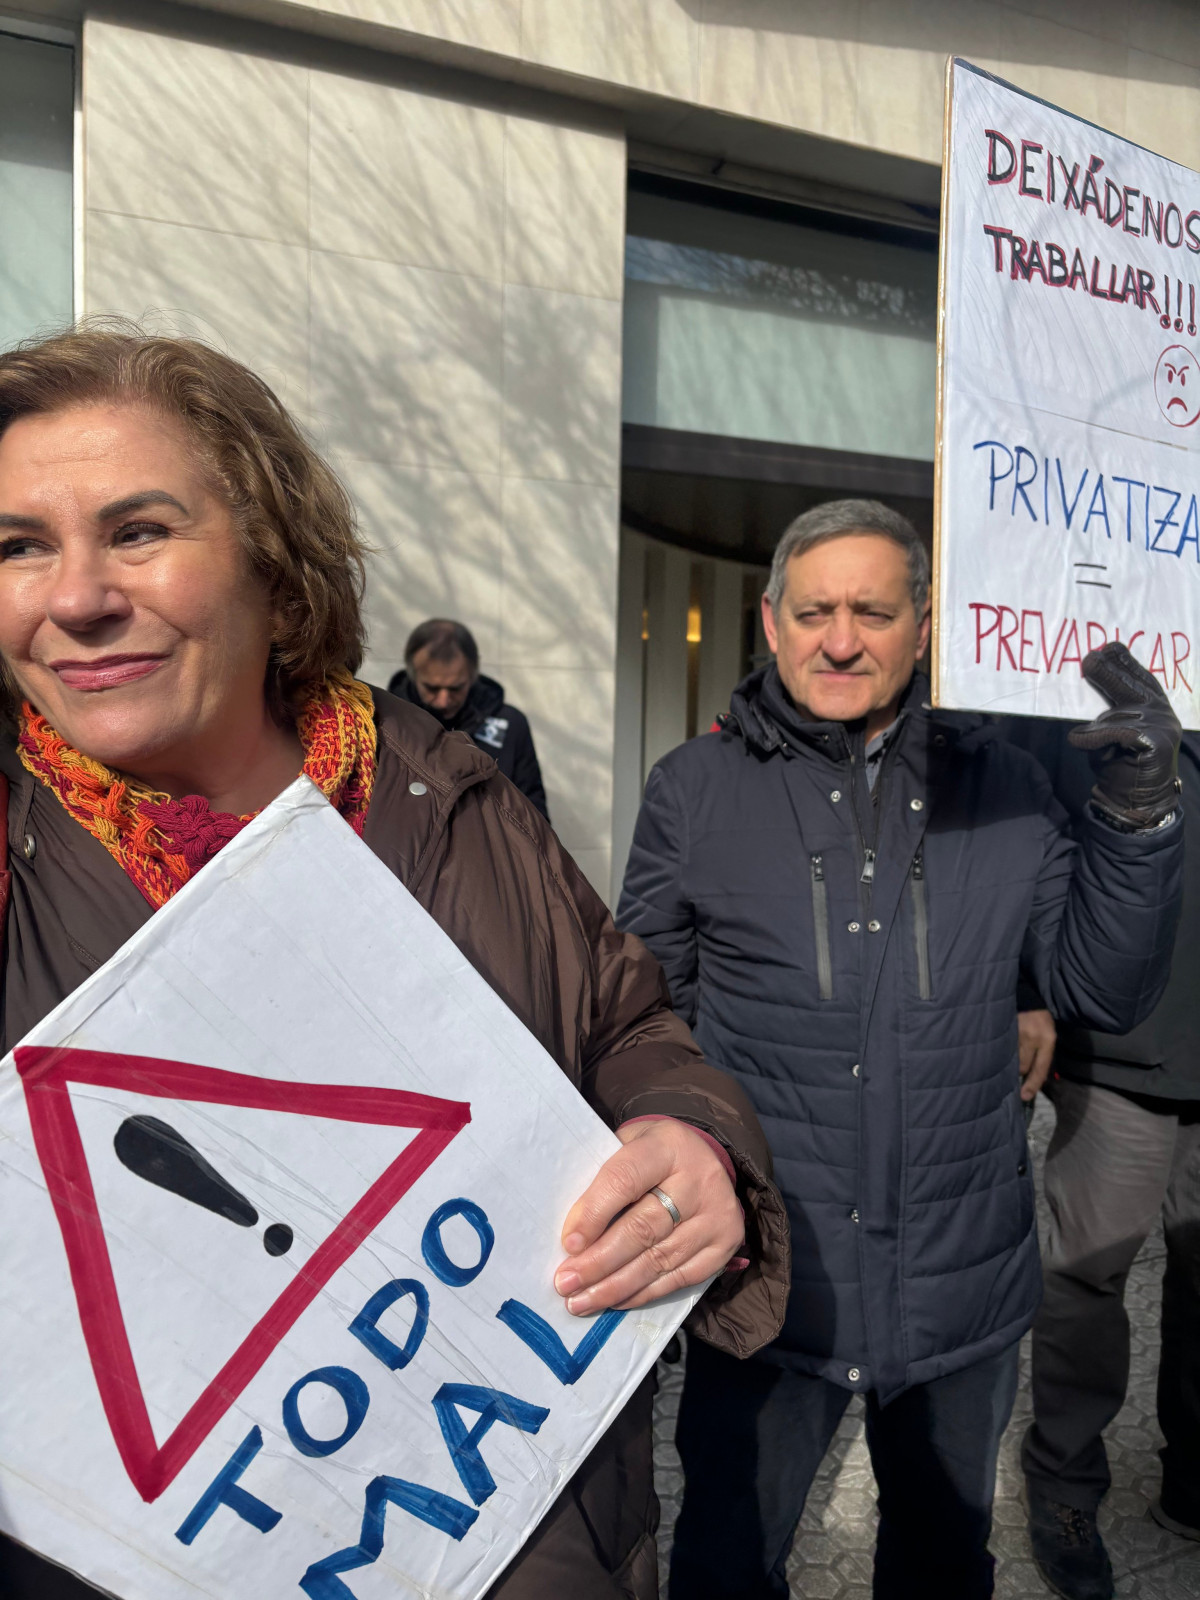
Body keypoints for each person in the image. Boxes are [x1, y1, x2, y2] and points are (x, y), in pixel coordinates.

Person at [0, 324, 789, 1600]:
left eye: (138, 530)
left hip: (538, 1538)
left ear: (270, 554)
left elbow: (628, 1026)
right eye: (19, 546)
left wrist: (695, 1143)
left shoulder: (451, 792)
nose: (74, 596)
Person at [618, 498, 1184, 1600]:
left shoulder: (1007, 785)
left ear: (922, 627)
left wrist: (1136, 818)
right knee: (728, 1566)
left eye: (873, 611)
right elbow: (646, 1018)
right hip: (770, 1285)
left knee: (939, 1569)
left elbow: (1100, 988)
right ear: (771, 623)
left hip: (955, 1296)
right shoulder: (694, 789)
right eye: (816, 610)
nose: (842, 638)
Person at [1000, 717, 1200, 1600]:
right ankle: (1065, 1482)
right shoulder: (1082, 694)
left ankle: (1193, 1471)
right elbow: (1027, 848)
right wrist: (1025, 989)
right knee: (1086, 1279)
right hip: (1124, 1051)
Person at [388, 619, 549, 818]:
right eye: (432, 688)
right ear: (413, 676)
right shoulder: (385, 722)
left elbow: (534, 815)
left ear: (472, 676)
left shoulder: (510, 724)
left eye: (456, 688)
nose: (443, 701)